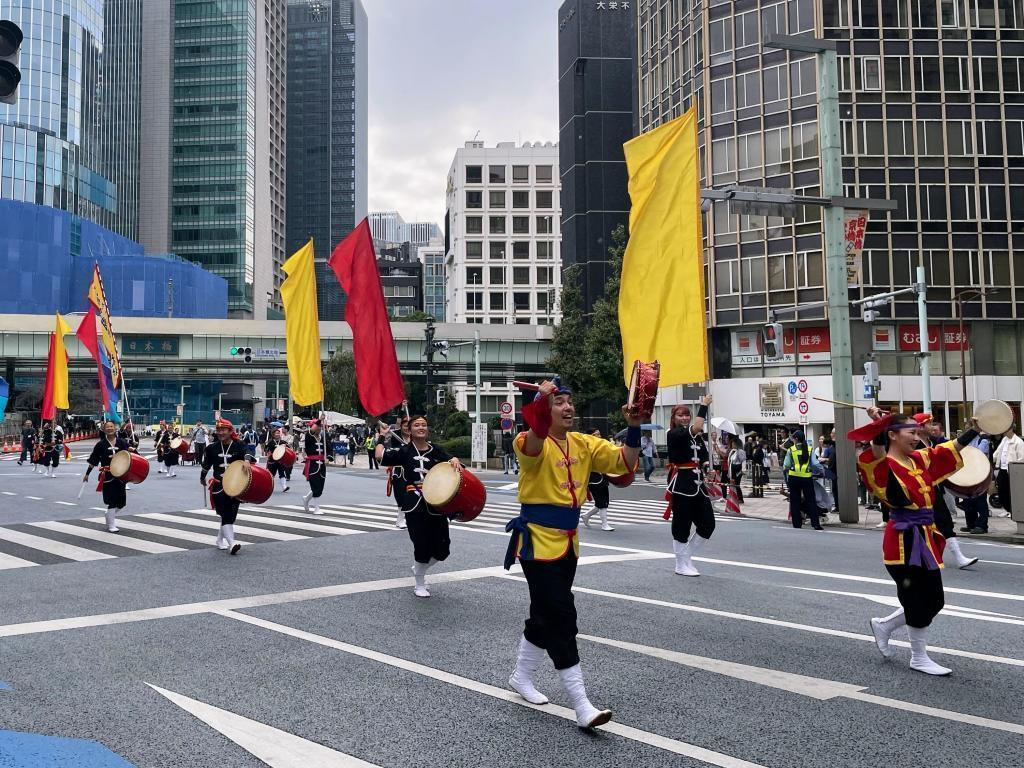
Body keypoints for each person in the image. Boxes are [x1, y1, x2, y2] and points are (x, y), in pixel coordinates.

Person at [504, 377, 643, 729]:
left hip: (569, 542)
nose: (569, 407)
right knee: (562, 615)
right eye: (559, 401)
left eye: (569, 401)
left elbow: (624, 464)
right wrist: (539, 401)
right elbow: (533, 441)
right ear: (544, 409)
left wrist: (634, 425)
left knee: (544, 615)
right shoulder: (527, 440)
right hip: (536, 542)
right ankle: (581, 704)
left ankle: (521, 677)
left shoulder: (584, 443)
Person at [856, 409, 979, 676]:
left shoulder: (918, 460)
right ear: (892, 435)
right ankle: (918, 657)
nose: (917, 436)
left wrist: (975, 430)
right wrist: (880, 422)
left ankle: (885, 626)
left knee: (935, 600)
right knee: (914, 598)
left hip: (926, 537)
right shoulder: (884, 465)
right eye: (911, 432)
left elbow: (945, 451)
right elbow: (876, 453)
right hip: (902, 543)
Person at [376, 415, 461, 598]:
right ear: (411, 430)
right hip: (414, 504)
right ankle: (419, 582)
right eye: (416, 425)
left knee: (442, 549)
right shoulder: (405, 451)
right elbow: (379, 456)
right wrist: (383, 437)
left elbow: (453, 462)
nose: (421, 427)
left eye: (423, 425)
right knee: (421, 544)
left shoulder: (436, 450)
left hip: (436, 503)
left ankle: (419, 568)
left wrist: (454, 460)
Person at [916, 414, 977, 569]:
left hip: (933, 489)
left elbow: (952, 447)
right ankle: (926, 557)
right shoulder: (914, 445)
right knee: (925, 525)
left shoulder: (932, 442)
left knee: (944, 522)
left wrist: (974, 431)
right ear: (921, 427)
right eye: (929, 424)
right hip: (918, 493)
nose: (933, 427)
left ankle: (958, 557)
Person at [664, 396, 714, 576]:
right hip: (682, 484)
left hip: (699, 484)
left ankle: (686, 556)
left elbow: (703, 456)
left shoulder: (696, 436)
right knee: (681, 525)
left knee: (708, 524)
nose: (684, 418)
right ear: (674, 418)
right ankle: (680, 564)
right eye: (680, 415)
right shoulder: (674, 433)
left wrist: (708, 468)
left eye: (687, 415)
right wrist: (703, 406)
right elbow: (698, 426)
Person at [200, 418, 252, 555]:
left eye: (224, 430)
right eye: (219, 430)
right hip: (218, 485)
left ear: (230, 431)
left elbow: (247, 452)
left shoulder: (238, 444)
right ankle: (232, 543)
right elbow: (206, 465)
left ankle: (219, 540)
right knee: (226, 512)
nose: (221, 432)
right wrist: (202, 477)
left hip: (236, 486)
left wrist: (246, 460)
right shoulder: (212, 448)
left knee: (230, 515)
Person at [83, 421, 134, 532]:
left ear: (115, 428)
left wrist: (133, 449)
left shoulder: (122, 442)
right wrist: (87, 474)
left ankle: (109, 514)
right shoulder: (100, 445)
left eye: (111, 426)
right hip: (107, 476)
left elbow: (132, 456)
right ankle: (111, 525)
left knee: (121, 503)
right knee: (112, 500)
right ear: (104, 430)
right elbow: (93, 460)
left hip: (121, 475)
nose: (110, 428)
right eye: (107, 427)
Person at [783, 430, 824, 530]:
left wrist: (787, 474)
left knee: (795, 501)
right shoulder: (810, 449)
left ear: (796, 439)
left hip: (794, 478)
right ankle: (815, 524)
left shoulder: (791, 450)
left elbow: (786, 466)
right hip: (806, 478)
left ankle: (797, 524)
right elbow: (815, 464)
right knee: (811, 501)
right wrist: (821, 471)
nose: (792, 440)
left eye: (793, 438)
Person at [581, 430, 615, 532]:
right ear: (591, 436)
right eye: (597, 434)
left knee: (604, 502)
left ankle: (586, 515)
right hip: (593, 479)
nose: (599, 436)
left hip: (602, 476)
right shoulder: (587, 448)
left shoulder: (600, 446)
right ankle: (604, 524)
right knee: (601, 502)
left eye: (600, 433)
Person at [384, 416, 412, 529]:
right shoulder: (396, 436)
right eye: (404, 426)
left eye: (408, 426)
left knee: (411, 495)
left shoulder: (414, 438)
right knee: (400, 495)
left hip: (412, 470)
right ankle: (400, 519)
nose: (406, 428)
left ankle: (407, 518)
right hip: (399, 471)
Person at [960, 431, 991, 534]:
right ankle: (971, 524)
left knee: (980, 500)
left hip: (980, 473)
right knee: (967, 500)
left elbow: (978, 454)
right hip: (969, 472)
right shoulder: (966, 441)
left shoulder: (983, 440)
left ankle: (982, 525)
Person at [302, 419, 334, 515]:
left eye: (320, 427)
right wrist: (320, 419)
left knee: (320, 486)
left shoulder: (323, 437)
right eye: (317, 426)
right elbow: (311, 431)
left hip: (322, 464)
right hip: (312, 464)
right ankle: (316, 508)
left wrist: (329, 456)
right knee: (315, 485)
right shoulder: (308, 436)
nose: (319, 428)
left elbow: (329, 449)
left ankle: (306, 498)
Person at [994, 424, 1024, 521]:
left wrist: (1014, 467)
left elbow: (1022, 458)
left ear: (1011, 429)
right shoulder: (1004, 440)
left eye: (1005, 429)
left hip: (1012, 471)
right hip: (1002, 470)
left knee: (1011, 492)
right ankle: (1008, 509)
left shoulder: (1018, 442)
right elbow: (998, 452)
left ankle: (1012, 511)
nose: (1003, 431)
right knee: (1001, 492)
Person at [264, 426, 291, 492]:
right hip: (272, 461)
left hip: (280, 461)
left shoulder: (283, 442)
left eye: (279, 433)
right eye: (276, 433)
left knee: (282, 473)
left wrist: (285, 446)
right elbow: (266, 449)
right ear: (273, 434)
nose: (278, 434)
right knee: (271, 474)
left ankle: (284, 487)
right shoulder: (270, 442)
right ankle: (269, 487)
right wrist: (268, 450)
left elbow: (289, 449)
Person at [728, 436, 746, 503]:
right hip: (732, 469)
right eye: (732, 443)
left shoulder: (740, 451)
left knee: (737, 484)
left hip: (738, 471)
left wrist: (743, 470)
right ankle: (734, 497)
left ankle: (740, 499)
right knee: (733, 484)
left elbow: (743, 461)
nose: (732, 445)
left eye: (733, 444)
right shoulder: (732, 451)